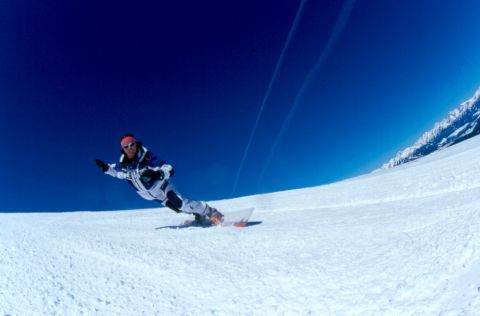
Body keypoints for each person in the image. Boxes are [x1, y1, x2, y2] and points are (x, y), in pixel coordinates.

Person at [95, 134, 224, 225]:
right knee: (178, 209)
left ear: (136, 143)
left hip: (163, 187)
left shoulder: (147, 157)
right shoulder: (123, 165)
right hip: (152, 196)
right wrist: (106, 168)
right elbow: (115, 171)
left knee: (181, 203)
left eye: (132, 144)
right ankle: (198, 215)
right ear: (122, 149)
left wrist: (160, 173)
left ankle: (211, 211)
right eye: (126, 146)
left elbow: (167, 167)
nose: (130, 148)